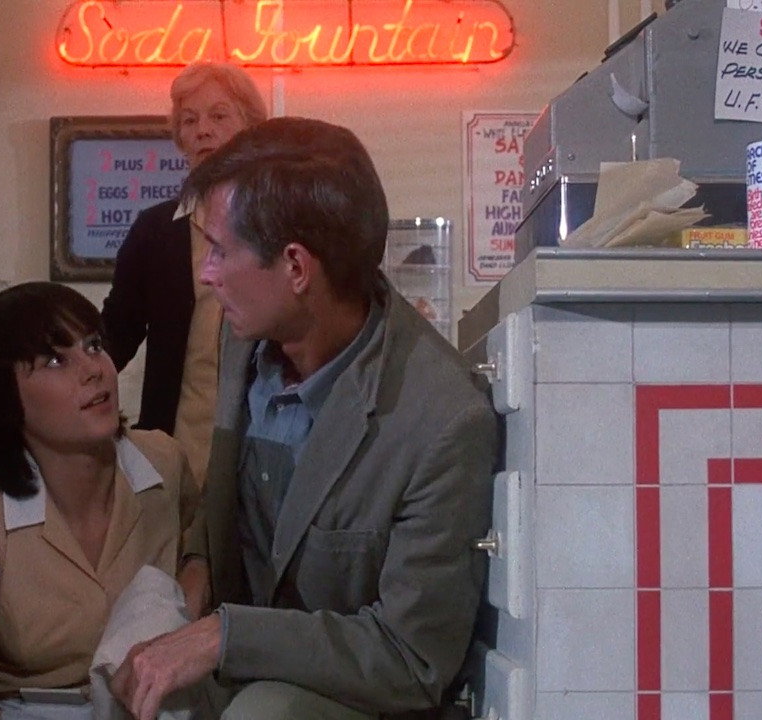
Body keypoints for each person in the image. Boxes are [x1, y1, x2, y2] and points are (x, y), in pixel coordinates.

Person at [109, 118, 500, 720]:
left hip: (361, 700)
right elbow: (234, 514)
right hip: (245, 669)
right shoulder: (244, 336)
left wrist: (225, 637)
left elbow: (411, 660)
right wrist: (193, 573)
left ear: (295, 267)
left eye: (220, 250)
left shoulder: (443, 420)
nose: (206, 273)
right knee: (124, 678)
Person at [0, 281, 199, 720]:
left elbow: (205, 553)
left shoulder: (164, 464)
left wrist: (181, 618)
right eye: (55, 360)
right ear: (6, 399)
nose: (93, 369)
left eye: (93, 346)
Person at [101, 61, 269, 490]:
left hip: (261, 453)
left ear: (250, 127)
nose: (202, 131)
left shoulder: (278, 222)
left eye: (219, 116)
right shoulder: (154, 230)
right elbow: (115, 334)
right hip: (173, 453)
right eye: (189, 121)